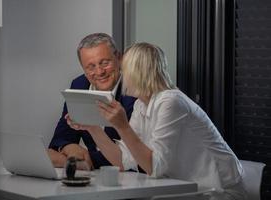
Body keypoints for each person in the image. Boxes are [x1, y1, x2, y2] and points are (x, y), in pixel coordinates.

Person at [67, 43, 247, 200]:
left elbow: (155, 168)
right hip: (186, 189)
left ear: (139, 72)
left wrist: (122, 125)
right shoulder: (141, 105)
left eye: (125, 68)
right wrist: (92, 128)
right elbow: (122, 162)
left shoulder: (171, 101)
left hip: (218, 192)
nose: (122, 73)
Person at [48, 33, 136, 169]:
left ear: (119, 58)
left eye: (105, 63)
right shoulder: (79, 84)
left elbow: (130, 155)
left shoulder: (134, 89)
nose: (100, 72)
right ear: (83, 68)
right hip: (95, 177)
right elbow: (62, 135)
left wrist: (73, 161)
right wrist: (69, 147)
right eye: (91, 67)